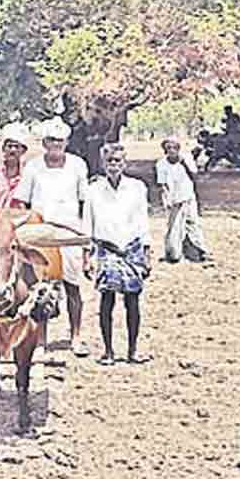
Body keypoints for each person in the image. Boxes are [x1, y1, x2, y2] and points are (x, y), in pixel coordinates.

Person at [12, 118, 90, 356]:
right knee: (41, 288)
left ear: (66, 142)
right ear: (44, 143)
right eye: (51, 141)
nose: (56, 145)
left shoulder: (78, 165)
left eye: (60, 141)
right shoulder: (34, 167)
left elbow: (84, 201)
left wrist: (85, 237)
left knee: (73, 286)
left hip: (69, 232)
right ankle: (41, 340)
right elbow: (23, 201)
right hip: (40, 233)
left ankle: (75, 336)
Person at [82, 144, 151, 366]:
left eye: (118, 161)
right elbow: (87, 224)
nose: (114, 165)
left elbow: (143, 222)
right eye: (110, 161)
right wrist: (87, 256)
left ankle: (132, 351)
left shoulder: (137, 188)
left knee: (132, 301)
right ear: (103, 163)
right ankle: (108, 351)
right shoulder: (93, 190)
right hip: (106, 249)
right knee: (107, 300)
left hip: (132, 248)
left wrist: (146, 253)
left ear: (125, 163)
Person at [156, 135, 208, 263]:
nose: (172, 150)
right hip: (173, 199)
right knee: (173, 226)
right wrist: (168, 199)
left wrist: (184, 162)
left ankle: (198, 251)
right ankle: (173, 253)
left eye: (175, 147)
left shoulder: (186, 159)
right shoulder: (161, 164)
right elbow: (162, 185)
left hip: (188, 196)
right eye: (168, 147)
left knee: (192, 224)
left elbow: (194, 174)